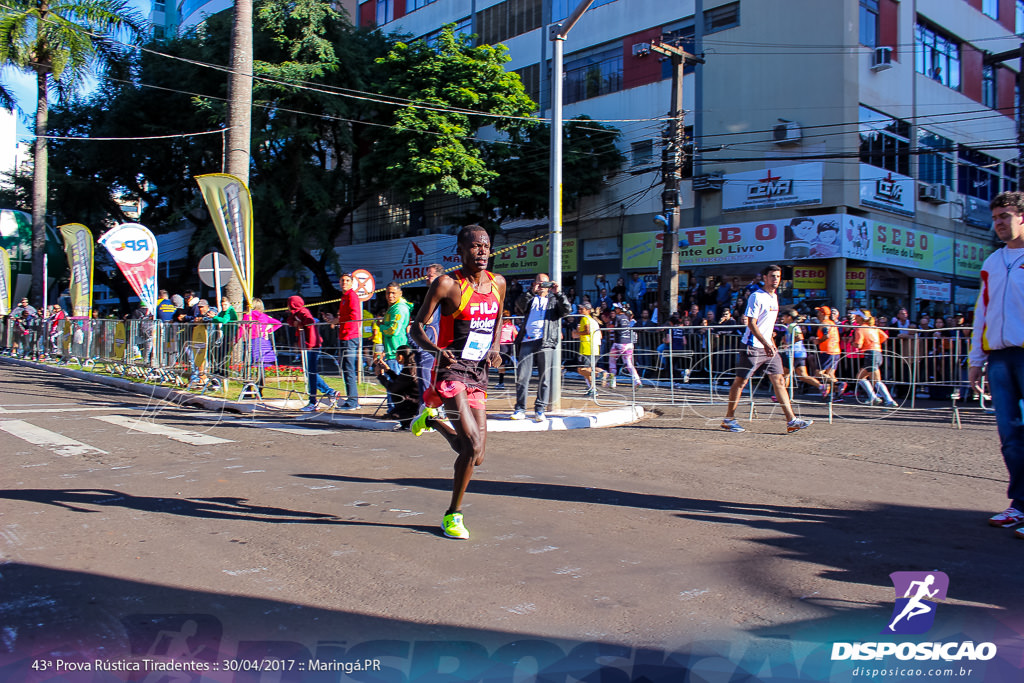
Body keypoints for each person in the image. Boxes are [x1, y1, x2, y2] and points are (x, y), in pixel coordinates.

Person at [409, 225, 506, 540]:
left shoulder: (498, 283)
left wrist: (495, 349)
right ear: (460, 250)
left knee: (477, 454)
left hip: (479, 372)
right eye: (476, 246)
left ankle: (432, 421)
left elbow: (499, 320)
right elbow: (416, 328)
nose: (482, 252)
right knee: (471, 444)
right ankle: (453, 514)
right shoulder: (447, 285)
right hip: (451, 370)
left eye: (486, 246)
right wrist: (436, 350)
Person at [969, 191, 1024, 534]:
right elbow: (982, 313)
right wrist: (976, 359)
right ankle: (1019, 504)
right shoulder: (992, 262)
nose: (999, 223)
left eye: (1005, 216)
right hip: (1000, 359)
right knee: (1011, 436)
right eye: (995, 218)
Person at [721, 265, 813, 434]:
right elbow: (751, 323)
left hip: (768, 347)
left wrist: (772, 343)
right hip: (752, 346)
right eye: (772, 276)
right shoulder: (756, 296)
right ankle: (729, 419)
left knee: (779, 381)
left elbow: (768, 325)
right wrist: (765, 343)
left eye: (778, 276)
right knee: (741, 382)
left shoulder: (774, 297)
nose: (775, 279)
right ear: (764, 277)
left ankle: (791, 421)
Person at [511, 272, 571, 422]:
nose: (542, 286)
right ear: (534, 284)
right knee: (522, 376)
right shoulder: (530, 299)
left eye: (545, 283)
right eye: (539, 283)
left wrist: (559, 294)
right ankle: (520, 409)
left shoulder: (554, 299)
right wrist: (531, 292)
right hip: (527, 340)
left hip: (546, 341)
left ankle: (540, 409)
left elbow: (566, 310)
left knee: (545, 377)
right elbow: (518, 306)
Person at [285, 295, 339, 412]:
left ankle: (314, 401)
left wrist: (310, 344)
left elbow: (310, 324)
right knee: (310, 373)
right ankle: (329, 392)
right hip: (306, 346)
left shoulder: (304, 313)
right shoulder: (297, 314)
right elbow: (290, 321)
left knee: (311, 373)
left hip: (311, 346)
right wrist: (296, 322)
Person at [409, 264, 445, 410]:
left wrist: (418, 324)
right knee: (429, 379)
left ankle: (428, 410)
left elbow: (429, 319)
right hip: (430, 341)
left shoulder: (438, 295)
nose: (426, 278)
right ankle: (430, 409)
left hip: (431, 341)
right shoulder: (434, 294)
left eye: (429, 275)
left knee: (427, 379)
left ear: (438, 277)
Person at [850, 309, 897, 407]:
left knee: (875, 380)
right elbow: (884, 336)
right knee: (861, 377)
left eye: (857, 316)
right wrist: (875, 343)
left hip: (870, 354)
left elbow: (858, 344)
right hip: (877, 353)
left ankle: (888, 400)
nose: (855, 318)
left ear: (861, 318)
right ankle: (874, 397)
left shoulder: (860, 329)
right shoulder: (874, 328)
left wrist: (852, 342)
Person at [381, 282, 414, 413]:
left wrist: (381, 326)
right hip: (392, 351)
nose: (390, 295)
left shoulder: (399, 308)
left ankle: (395, 411)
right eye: (388, 292)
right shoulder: (394, 307)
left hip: (396, 352)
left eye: (393, 293)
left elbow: (393, 330)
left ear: (400, 294)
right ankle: (395, 410)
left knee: (394, 384)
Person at [373, 345, 420, 428]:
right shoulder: (414, 366)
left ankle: (405, 418)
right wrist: (388, 370)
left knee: (396, 394)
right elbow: (400, 381)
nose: (395, 358)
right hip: (418, 400)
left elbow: (393, 388)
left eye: (396, 355)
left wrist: (380, 376)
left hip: (412, 403)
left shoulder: (408, 370)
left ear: (401, 357)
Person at [335, 272, 362, 410]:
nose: (344, 282)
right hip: (345, 335)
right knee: (346, 368)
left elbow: (354, 316)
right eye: (342, 280)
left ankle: (353, 401)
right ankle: (352, 399)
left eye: (347, 280)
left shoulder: (351, 296)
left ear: (351, 283)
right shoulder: (345, 297)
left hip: (350, 336)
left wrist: (338, 320)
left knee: (348, 368)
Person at [779, 309, 822, 396]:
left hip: (794, 353)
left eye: (784, 316)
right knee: (802, 375)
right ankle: (821, 386)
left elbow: (800, 337)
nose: (782, 318)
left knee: (786, 374)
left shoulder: (792, 326)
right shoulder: (790, 326)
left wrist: (789, 343)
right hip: (800, 353)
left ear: (789, 317)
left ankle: (782, 395)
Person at [573, 301, 608, 398]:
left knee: (581, 370)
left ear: (587, 310)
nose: (580, 310)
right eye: (579, 309)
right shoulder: (594, 321)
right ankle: (593, 388)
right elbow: (600, 335)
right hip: (595, 347)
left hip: (587, 347)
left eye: (582, 309)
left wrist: (577, 333)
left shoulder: (585, 319)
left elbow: (587, 331)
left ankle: (600, 374)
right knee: (589, 369)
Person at [814, 305, 846, 401]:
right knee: (830, 374)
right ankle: (837, 394)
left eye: (819, 312)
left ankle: (838, 384)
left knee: (818, 373)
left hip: (827, 351)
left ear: (822, 314)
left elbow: (826, 335)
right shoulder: (832, 323)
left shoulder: (824, 323)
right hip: (835, 350)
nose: (817, 314)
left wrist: (818, 341)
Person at [608, 304, 642, 389]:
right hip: (629, 343)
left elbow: (610, 329)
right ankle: (637, 380)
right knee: (628, 363)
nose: (615, 310)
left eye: (616, 308)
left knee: (612, 361)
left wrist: (607, 322)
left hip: (619, 343)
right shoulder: (626, 317)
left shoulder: (618, 317)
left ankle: (612, 382)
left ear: (620, 309)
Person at [495, 309, 517, 390]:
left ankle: (501, 383)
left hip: (502, 345)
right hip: (509, 345)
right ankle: (514, 361)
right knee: (504, 363)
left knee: (501, 365)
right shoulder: (511, 326)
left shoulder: (499, 326)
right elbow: (516, 334)